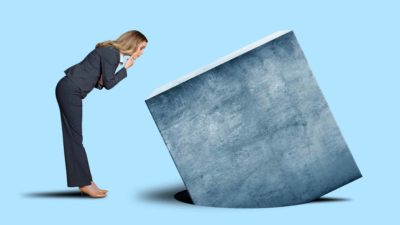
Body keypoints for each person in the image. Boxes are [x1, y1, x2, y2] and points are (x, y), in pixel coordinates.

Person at [55, 30, 147, 198]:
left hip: (70, 89)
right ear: (132, 44)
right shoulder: (112, 54)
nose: (141, 53)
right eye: (141, 48)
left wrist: (118, 69)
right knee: (74, 138)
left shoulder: (111, 53)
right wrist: (125, 68)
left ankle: (87, 181)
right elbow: (109, 84)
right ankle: (84, 183)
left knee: (74, 138)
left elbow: (101, 81)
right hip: (70, 90)